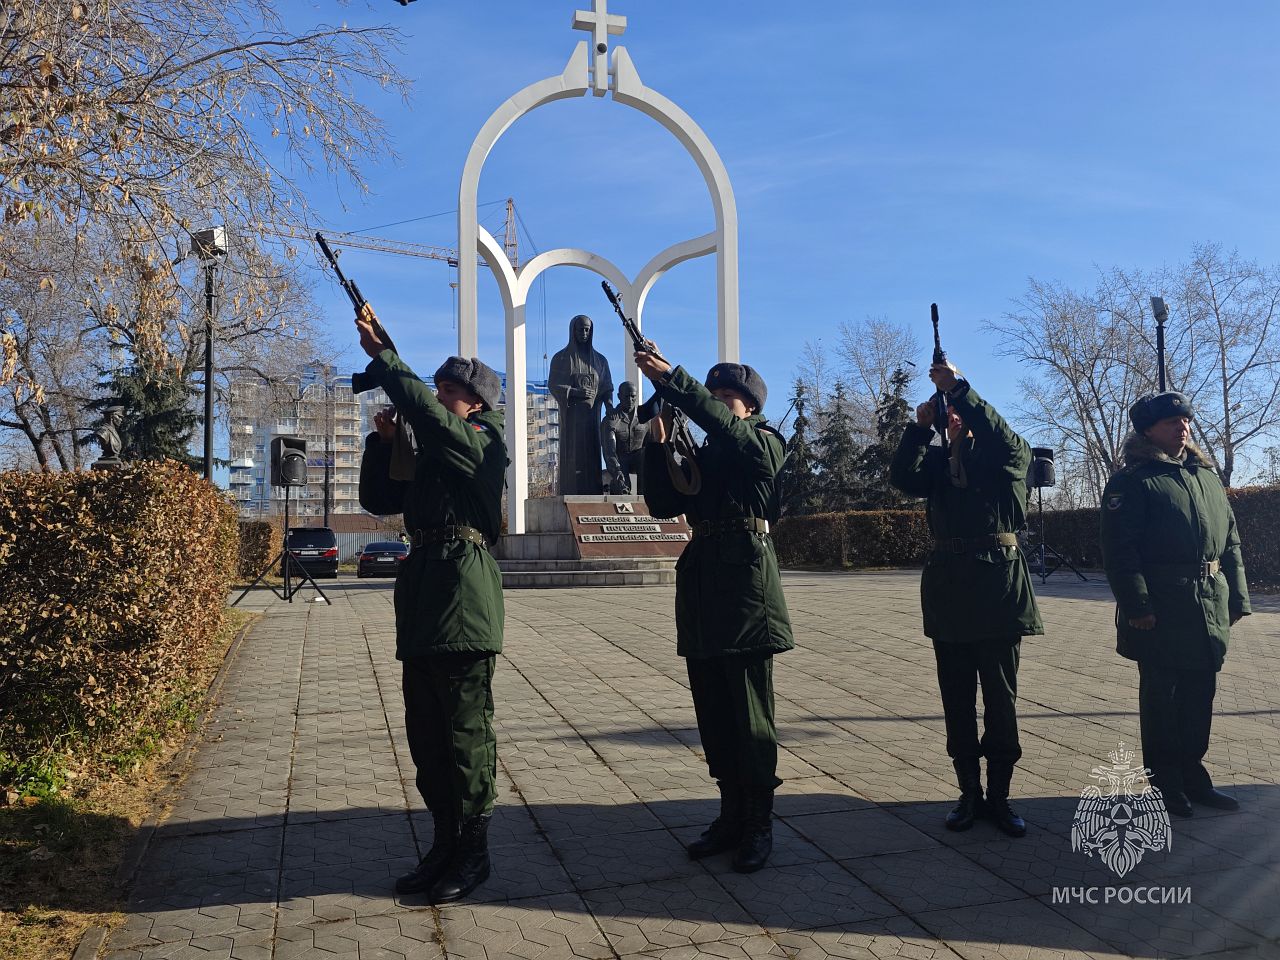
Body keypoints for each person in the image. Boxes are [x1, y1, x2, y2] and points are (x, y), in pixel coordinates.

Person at [354, 303, 507, 903]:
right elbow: (375, 498)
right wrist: (382, 441)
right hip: (423, 593)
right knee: (425, 732)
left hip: (464, 594)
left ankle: (475, 850)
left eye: (451, 390)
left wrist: (389, 364)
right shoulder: (431, 447)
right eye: (438, 387)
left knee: (465, 730)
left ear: (476, 403)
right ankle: (444, 842)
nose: (440, 397)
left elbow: (443, 432)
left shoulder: (483, 440)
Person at [634, 346, 794, 873]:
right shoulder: (704, 453)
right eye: (716, 395)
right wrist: (656, 449)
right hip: (703, 582)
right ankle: (730, 815)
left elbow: (743, 443)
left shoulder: (765, 442)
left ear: (750, 406)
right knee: (714, 713)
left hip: (746, 587)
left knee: (750, 716)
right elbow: (662, 505)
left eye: (730, 398)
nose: (721, 405)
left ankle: (759, 821)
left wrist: (679, 383)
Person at [889, 361, 1042, 837]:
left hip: (998, 593)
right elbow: (902, 477)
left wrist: (959, 390)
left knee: (1001, 700)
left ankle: (999, 796)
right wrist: (918, 432)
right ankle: (968, 793)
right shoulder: (936, 463)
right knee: (956, 700)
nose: (953, 419)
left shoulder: (1003, 458)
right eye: (946, 415)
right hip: (950, 593)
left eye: (960, 414)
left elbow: (1005, 437)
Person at [1100, 391, 1250, 817]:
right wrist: (1138, 606)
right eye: (1171, 422)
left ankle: (1192, 774)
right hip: (1162, 608)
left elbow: (1231, 541)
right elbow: (1120, 551)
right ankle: (1164, 782)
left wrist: (1237, 597)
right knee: (1163, 699)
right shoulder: (1133, 481)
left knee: (1200, 694)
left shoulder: (1204, 477)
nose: (1182, 428)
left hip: (1207, 605)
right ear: (1148, 430)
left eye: (1184, 421)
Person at [548, 314, 614, 494]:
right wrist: (576, 392)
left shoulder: (600, 361)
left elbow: (607, 388)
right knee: (573, 456)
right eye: (581, 329)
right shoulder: (561, 358)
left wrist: (609, 406)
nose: (584, 333)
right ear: (573, 331)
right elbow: (554, 384)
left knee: (592, 455)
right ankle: (571, 493)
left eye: (588, 330)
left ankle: (593, 492)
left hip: (593, 418)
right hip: (571, 418)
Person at [600, 380, 649, 494]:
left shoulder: (645, 419)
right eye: (627, 396)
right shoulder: (610, 421)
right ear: (619, 396)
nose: (630, 400)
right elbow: (609, 452)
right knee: (622, 488)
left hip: (639, 461)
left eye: (633, 396)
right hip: (620, 461)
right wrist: (617, 472)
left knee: (646, 455)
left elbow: (650, 446)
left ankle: (646, 498)